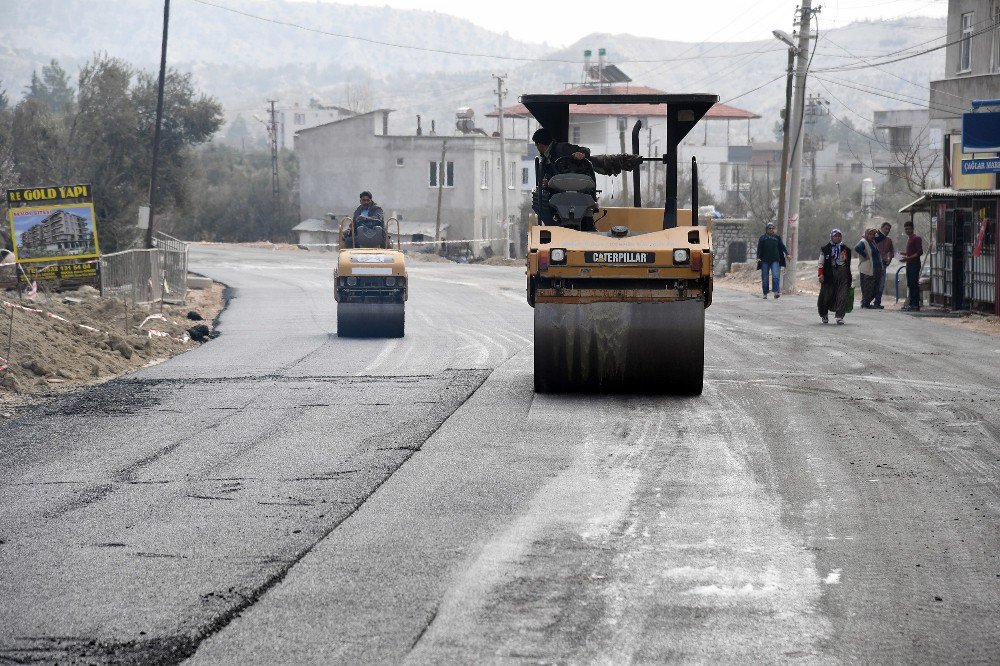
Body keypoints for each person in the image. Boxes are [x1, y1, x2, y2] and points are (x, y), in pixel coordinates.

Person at [531, 128, 591, 224]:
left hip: (576, 189)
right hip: (557, 192)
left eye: (536, 145)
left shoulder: (563, 148)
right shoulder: (544, 160)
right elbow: (551, 178)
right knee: (538, 199)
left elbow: (585, 150)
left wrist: (581, 154)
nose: (537, 148)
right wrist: (546, 182)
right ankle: (553, 224)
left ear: (540, 144)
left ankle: (554, 225)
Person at [817, 228, 852, 325]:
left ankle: (840, 316)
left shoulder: (846, 249)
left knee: (842, 295)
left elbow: (848, 263)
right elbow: (821, 263)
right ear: (831, 237)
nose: (837, 238)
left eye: (839, 236)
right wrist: (820, 274)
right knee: (827, 295)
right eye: (835, 236)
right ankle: (824, 314)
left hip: (843, 273)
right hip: (829, 274)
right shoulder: (825, 249)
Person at [756, 222, 790, 299]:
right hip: (765, 261)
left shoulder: (777, 237)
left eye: (772, 228)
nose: (771, 230)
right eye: (769, 228)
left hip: (775, 260)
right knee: (765, 278)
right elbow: (759, 249)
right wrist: (758, 257)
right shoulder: (762, 238)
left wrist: (787, 254)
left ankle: (776, 292)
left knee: (775, 276)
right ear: (766, 229)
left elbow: (782, 246)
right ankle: (765, 293)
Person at [854, 228, 883, 309]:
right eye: (870, 234)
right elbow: (857, 248)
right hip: (868, 269)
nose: (872, 236)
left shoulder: (873, 242)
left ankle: (866, 302)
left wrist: (878, 232)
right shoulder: (863, 242)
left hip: (876, 268)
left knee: (876, 287)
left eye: (873, 234)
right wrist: (864, 255)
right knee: (868, 287)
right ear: (866, 234)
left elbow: (882, 238)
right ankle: (865, 303)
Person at [900, 220, 923, 311]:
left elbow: (919, 252)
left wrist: (908, 258)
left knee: (914, 284)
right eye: (906, 229)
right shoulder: (909, 238)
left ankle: (915, 304)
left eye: (909, 229)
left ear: (913, 229)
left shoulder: (916, 238)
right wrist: (904, 254)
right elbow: (911, 252)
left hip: (914, 264)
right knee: (910, 284)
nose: (907, 231)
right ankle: (911, 303)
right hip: (909, 264)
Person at [873, 221, 894, 309]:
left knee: (881, 284)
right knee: (873, 282)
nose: (887, 230)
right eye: (886, 228)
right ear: (881, 228)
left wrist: (890, 260)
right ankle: (866, 301)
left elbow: (892, 251)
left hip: (883, 264)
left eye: (889, 229)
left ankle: (877, 302)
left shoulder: (889, 240)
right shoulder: (875, 237)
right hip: (874, 264)